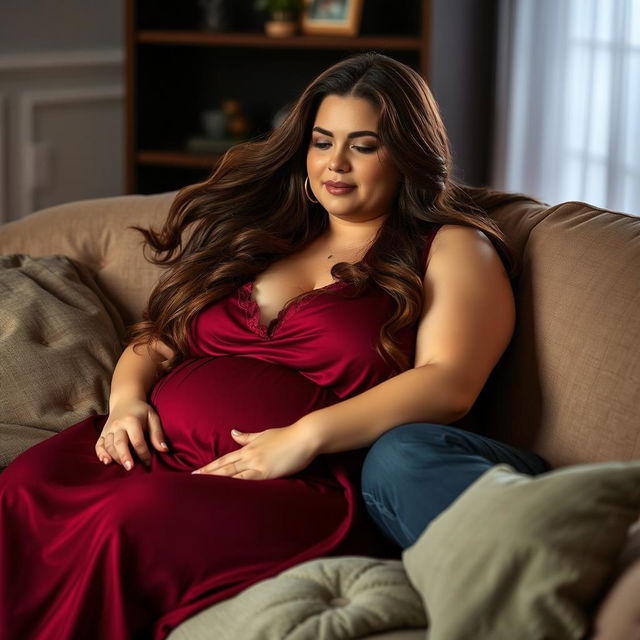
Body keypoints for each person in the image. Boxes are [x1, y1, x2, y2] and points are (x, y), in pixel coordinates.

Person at [0, 52, 548, 639]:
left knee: (129, 523)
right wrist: (128, 400)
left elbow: (449, 382)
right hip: (152, 451)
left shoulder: (450, 247)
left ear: (408, 153)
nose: (335, 163)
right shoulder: (262, 234)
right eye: (321, 141)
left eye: (364, 145)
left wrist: (301, 438)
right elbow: (157, 339)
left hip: (298, 478)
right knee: (22, 489)